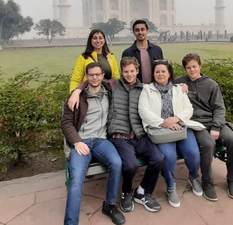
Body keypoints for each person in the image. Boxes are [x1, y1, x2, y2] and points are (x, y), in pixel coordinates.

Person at [68, 57, 165, 214]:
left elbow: (164, 86)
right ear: (121, 72)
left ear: (137, 71)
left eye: (132, 71)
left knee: (159, 158)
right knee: (131, 164)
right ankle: (127, 191)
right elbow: (93, 79)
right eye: (125, 71)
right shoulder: (113, 84)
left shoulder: (144, 88)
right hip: (120, 137)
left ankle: (142, 192)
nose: (129, 74)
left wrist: (182, 86)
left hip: (139, 135)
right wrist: (78, 90)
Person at [62, 63, 125, 225]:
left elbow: (131, 80)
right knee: (76, 180)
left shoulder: (110, 90)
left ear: (103, 75)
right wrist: (76, 141)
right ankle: (70, 223)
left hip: (102, 141)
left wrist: (181, 84)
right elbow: (67, 123)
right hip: (82, 142)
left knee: (117, 163)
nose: (95, 78)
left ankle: (110, 206)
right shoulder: (77, 96)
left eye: (98, 74)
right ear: (86, 76)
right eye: (91, 75)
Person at [138, 60, 204, 208]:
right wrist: (164, 122)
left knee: (193, 153)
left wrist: (177, 118)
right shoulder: (147, 90)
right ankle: (170, 186)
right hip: (161, 129)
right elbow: (143, 112)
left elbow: (189, 109)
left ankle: (193, 178)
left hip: (179, 126)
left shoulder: (178, 89)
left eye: (163, 71)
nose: (160, 74)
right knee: (168, 156)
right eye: (157, 71)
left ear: (169, 74)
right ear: (153, 74)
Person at [175, 53, 233, 201]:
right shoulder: (179, 82)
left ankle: (232, 179)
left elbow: (219, 109)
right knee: (208, 143)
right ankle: (207, 181)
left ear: (200, 66)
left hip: (214, 122)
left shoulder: (211, 84)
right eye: (188, 68)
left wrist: (216, 127)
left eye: (194, 67)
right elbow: (165, 86)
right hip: (196, 124)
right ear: (185, 69)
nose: (192, 70)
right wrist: (178, 87)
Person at [122, 19, 163, 84]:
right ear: (134, 32)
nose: (140, 32)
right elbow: (125, 74)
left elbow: (163, 70)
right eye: (137, 30)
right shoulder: (128, 53)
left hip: (155, 88)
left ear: (147, 31)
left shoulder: (157, 50)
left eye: (142, 29)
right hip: (136, 89)